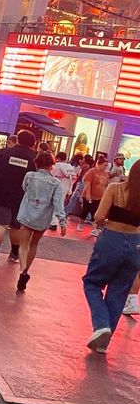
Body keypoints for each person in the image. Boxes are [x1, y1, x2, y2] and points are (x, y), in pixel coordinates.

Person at [83, 160, 140, 353]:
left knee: (92, 283)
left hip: (111, 240)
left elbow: (99, 216)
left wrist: (109, 221)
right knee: (119, 291)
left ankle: (101, 325)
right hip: (135, 244)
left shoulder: (116, 189)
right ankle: (102, 344)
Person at [0, 129, 36, 265]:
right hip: (22, 197)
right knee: (16, 226)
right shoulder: (34, 158)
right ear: (33, 144)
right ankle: (14, 254)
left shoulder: (4, 153)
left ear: (17, 139)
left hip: (1, 193)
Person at [15, 151, 67, 292]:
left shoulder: (29, 176)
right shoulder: (55, 183)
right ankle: (26, 269)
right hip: (43, 217)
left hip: (27, 214)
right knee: (34, 245)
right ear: (51, 166)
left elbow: (24, 188)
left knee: (23, 245)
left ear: (36, 163)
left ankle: (22, 271)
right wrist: (62, 222)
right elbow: (58, 203)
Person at [78, 156, 110, 236]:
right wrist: (88, 194)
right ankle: (81, 224)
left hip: (99, 196)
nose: (106, 167)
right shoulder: (92, 171)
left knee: (95, 212)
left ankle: (94, 229)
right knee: (86, 210)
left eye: (106, 165)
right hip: (89, 196)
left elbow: (106, 185)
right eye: (104, 165)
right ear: (99, 164)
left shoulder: (106, 174)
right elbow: (88, 183)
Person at [48, 151, 75, 230]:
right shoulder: (70, 168)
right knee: (60, 205)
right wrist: (69, 190)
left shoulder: (56, 166)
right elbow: (73, 179)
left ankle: (52, 222)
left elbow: (51, 176)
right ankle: (56, 222)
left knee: (52, 204)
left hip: (56, 186)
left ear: (58, 158)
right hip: (65, 188)